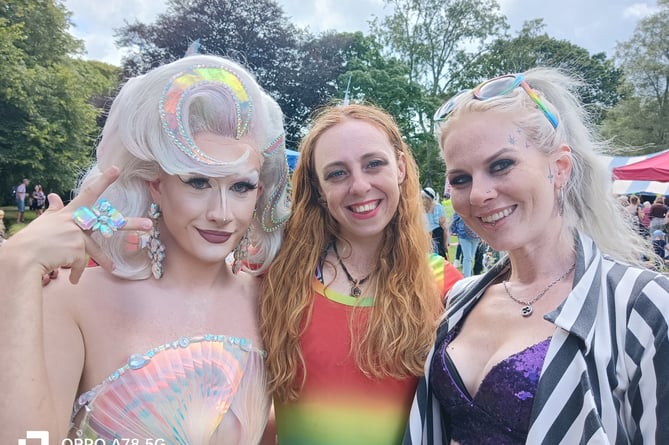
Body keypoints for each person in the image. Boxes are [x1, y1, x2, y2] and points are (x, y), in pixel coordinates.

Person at [0, 53, 290, 443]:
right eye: (197, 182)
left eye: (240, 187)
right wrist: (16, 266)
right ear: (156, 184)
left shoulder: (271, 300)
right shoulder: (73, 299)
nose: (222, 214)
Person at [404, 68, 669, 444]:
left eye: (501, 165)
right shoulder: (460, 299)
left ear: (559, 168)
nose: (478, 194)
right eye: (461, 179)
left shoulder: (643, 308)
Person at [260, 103, 462, 445]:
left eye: (374, 164)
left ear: (399, 167)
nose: (359, 185)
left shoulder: (446, 287)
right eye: (337, 173)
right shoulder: (277, 280)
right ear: (318, 188)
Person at [449, 211, 480, 277]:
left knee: (470, 257)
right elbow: (455, 219)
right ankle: (467, 276)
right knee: (468, 257)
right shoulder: (462, 208)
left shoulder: (477, 208)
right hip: (463, 235)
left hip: (476, 235)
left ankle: (466, 272)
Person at [422, 186, 449, 258]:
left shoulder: (438, 207)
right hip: (424, 237)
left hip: (437, 237)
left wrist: (446, 243)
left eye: (423, 197)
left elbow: (445, 228)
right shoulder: (419, 208)